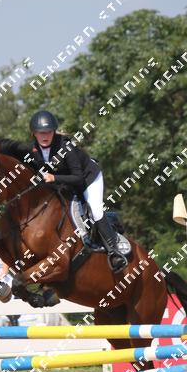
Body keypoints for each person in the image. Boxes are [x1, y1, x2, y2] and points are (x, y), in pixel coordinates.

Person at [27, 110, 128, 272]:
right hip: (65, 183)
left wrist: (54, 178)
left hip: (88, 179)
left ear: (54, 132)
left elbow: (78, 178)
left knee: (95, 210)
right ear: (34, 133)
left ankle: (114, 253)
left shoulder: (66, 147)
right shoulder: (32, 150)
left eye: (49, 132)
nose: (45, 136)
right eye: (41, 133)